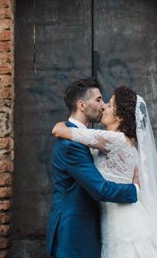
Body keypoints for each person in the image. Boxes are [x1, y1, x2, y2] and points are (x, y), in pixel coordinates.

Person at [52, 85, 157, 258]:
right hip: (114, 223)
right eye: (102, 101)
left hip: (125, 224)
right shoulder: (121, 141)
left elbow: (59, 131)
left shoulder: (115, 140)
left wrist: (60, 124)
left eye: (109, 105)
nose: (104, 107)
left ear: (120, 116)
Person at [45, 78, 139, 258]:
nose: (103, 105)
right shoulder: (71, 144)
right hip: (74, 232)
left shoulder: (90, 137)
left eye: (105, 102)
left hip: (96, 227)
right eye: (98, 100)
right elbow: (99, 189)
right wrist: (135, 190)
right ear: (81, 104)